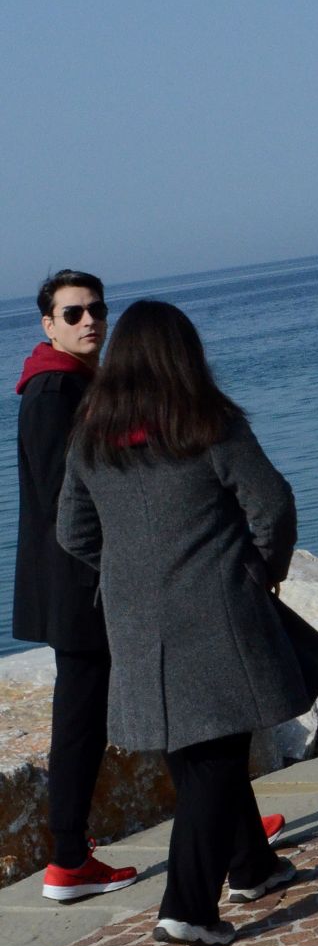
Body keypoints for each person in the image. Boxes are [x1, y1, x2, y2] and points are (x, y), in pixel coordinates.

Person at [57, 301, 318, 946]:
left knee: (194, 750)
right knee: (214, 756)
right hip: (218, 609)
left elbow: (72, 532)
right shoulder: (206, 421)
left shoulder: (91, 437)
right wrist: (262, 568)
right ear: (184, 354)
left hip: (137, 621)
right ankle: (186, 908)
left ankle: (253, 866)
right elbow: (272, 504)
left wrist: (130, 570)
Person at [13, 269, 137, 904]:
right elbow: (66, 496)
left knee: (114, 707)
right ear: (48, 325)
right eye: (73, 313)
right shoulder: (53, 390)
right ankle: (66, 859)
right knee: (83, 721)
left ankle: (233, 832)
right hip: (81, 583)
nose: (90, 320)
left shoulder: (77, 382)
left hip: (86, 580)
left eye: (97, 309)